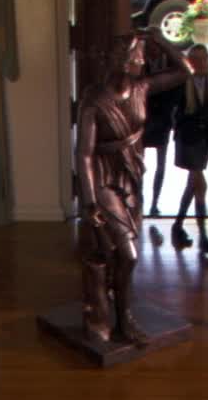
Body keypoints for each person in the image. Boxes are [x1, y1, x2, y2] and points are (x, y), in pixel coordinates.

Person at [74, 30, 191, 345]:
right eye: (139, 56)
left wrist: (159, 40)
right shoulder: (94, 100)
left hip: (131, 178)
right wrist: (89, 202)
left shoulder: (142, 88)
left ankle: (107, 311)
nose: (143, 61)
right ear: (124, 62)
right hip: (104, 179)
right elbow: (84, 154)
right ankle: (122, 319)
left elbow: (185, 71)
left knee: (118, 252)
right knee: (128, 254)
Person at [170, 45, 208, 253]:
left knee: (194, 185)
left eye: (204, 59)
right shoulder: (182, 82)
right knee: (200, 185)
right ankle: (203, 237)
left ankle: (178, 225)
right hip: (187, 140)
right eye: (196, 59)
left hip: (204, 142)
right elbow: (175, 113)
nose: (201, 63)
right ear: (190, 62)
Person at [141, 41, 185, 223]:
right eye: (149, 47)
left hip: (163, 121)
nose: (152, 50)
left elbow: (179, 85)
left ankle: (154, 202)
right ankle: (139, 200)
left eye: (155, 46)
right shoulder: (141, 65)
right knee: (139, 164)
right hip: (144, 121)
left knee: (161, 165)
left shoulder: (170, 65)